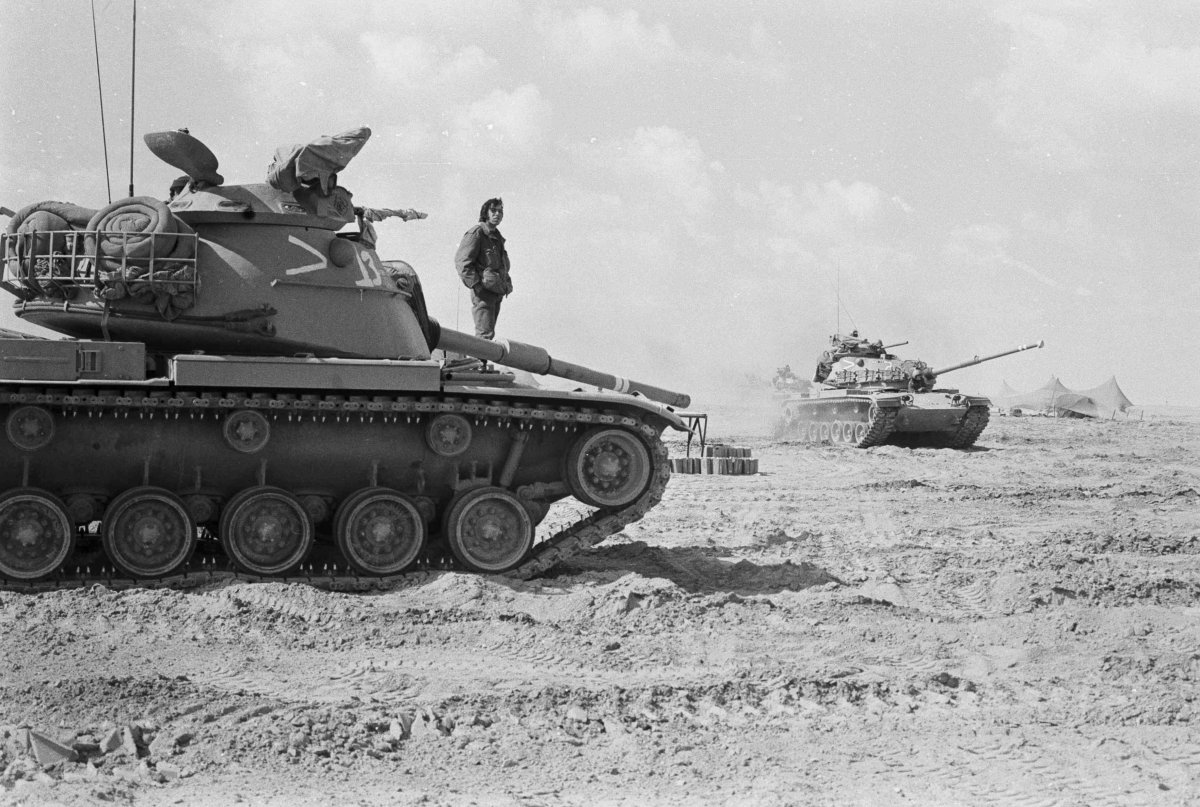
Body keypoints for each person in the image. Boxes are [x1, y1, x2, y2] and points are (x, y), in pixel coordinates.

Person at [454, 198, 511, 339]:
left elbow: (501, 266)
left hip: (496, 292)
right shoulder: (477, 233)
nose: (497, 214)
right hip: (483, 293)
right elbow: (462, 262)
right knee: (484, 336)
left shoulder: (497, 238)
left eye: (500, 211)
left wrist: (506, 284)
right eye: (493, 210)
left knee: (488, 336)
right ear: (485, 213)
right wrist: (476, 285)